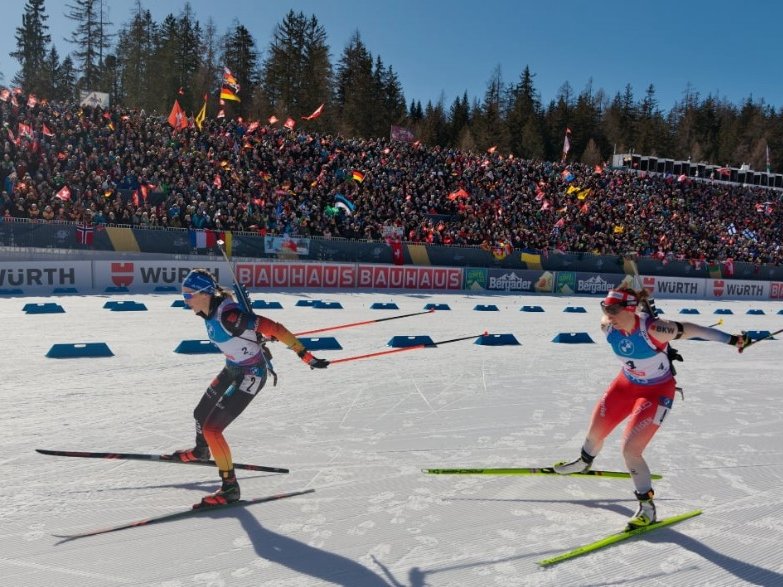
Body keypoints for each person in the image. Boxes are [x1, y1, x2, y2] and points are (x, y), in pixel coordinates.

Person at [554, 287, 750, 529]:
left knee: (630, 450)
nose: (608, 315)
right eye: (605, 309)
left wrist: (732, 339)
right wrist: (629, 306)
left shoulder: (655, 329)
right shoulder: (607, 325)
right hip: (625, 385)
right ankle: (585, 462)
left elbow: (694, 330)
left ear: (630, 309)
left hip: (657, 392)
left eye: (613, 310)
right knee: (595, 433)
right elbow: (614, 315)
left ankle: (647, 508)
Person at [173, 268, 329, 508]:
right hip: (232, 368)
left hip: (251, 374)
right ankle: (201, 451)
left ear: (204, 293)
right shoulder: (207, 310)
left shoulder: (230, 316)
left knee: (212, 429)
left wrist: (304, 355)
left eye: (188, 295)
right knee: (200, 413)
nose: (185, 301)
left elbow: (275, 328)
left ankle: (230, 488)